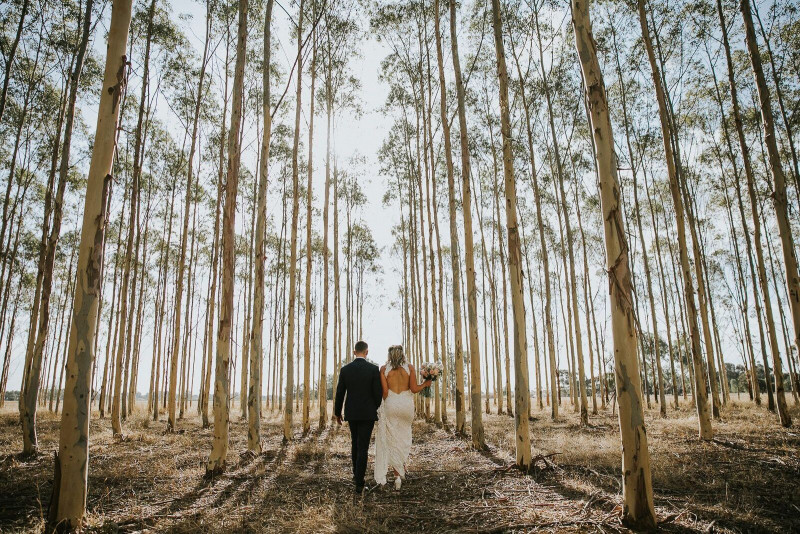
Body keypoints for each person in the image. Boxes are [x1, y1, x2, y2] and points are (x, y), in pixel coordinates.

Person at [374, 345, 431, 489]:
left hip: (391, 405)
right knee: (403, 437)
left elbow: (385, 393)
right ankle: (401, 470)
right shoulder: (410, 367)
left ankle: (397, 476)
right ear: (402, 354)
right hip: (406, 406)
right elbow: (414, 389)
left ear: (389, 355)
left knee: (392, 439)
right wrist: (425, 384)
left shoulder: (383, 369)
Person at [334, 340, 382, 494]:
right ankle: (359, 484)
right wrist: (375, 409)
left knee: (355, 443)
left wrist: (337, 412)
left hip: (352, 413)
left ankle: (357, 475)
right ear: (366, 352)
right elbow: (378, 394)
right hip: (367, 414)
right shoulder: (373, 369)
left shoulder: (345, 369)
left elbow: (340, 392)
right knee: (363, 447)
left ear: (355, 352)